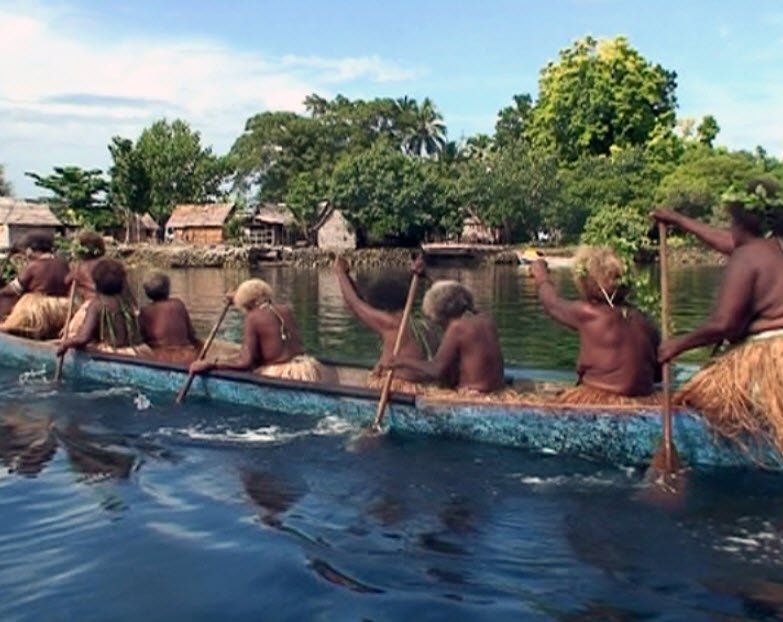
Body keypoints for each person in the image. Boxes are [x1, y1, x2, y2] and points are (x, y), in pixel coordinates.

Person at [653, 179, 783, 451]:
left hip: (767, 360)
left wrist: (677, 345)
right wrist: (678, 220)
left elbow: (725, 324)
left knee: (696, 402)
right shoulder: (771, 248)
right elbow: (730, 243)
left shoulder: (746, 257)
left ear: (740, 225)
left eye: (731, 222)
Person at [530, 247, 661, 404]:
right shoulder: (645, 319)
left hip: (598, 397)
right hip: (643, 399)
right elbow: (658, 375)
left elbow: (551, 304)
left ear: (586, 283)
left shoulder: (588, 313)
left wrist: (541, 276)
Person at [188, 278, 323, 381]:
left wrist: (212, 364)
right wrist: (236, 297)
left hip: (284, 374)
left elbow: (245, 363)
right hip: (307, 369)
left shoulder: (253, 317)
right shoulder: (286, 310)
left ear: (248, 304)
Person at [333, 255, 433, 392]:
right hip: (421, 387)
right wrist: (347, 276)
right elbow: (360, 300)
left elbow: (355, 304)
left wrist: (339, 272)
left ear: (382, 308)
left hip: (398, 387)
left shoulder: (391, 323)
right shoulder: (420, 323)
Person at [389, 279, 505, 394]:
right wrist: (425, 276)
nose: (443, 329)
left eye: (440, 323)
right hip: (498, 391)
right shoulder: (486, 320)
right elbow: (449, 295)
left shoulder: (457, 327)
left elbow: (436, 369)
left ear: (443, 315)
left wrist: (400, 361)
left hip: (473, 394)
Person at [56, 258, 150, 357]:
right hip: (137, 351)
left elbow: (83, 338)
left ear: (96, 283)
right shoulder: (127, 303)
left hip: (113, 353)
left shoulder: (97, 304)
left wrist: (66, 344)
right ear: (122, 284)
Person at [0, 232, 70, 339]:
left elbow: (13, 290)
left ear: (29, 250)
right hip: (62, 309)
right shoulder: (63, 264)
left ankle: (7, 328)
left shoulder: (34, 266)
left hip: (37, 310)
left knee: (7, 296)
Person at [139, 271, 202, 364]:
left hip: (161, 358)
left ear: (147, 293)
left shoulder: (145, 311)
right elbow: (191, 334)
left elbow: (142, 338)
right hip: (189, 356)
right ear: (168, 289)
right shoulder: (178, 304)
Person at [62, 230, 107, 338]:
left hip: (91, 305)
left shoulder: (80, 267)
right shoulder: (109, 264)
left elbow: (66, 281)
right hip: (115, 303)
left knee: (71, 335)